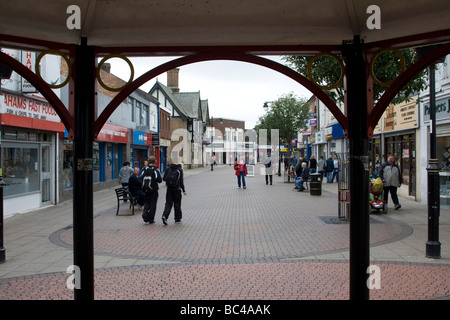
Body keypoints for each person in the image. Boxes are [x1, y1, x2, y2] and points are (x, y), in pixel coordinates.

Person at [162, 157, 187, 225]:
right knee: (177, 204)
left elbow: (164, 178)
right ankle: (177, 218)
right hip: (177, 189)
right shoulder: (179, 169)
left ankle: (165, 216)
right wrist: (184, 190)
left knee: (168, 203)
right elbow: (181, 181)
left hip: (169, 188)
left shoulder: (168, 168)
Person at [141, 156, 162, 223]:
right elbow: (159, 180)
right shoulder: (156, 170)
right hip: (153, 189)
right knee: (153, 204)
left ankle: (145, 213)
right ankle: (151, 218)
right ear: (154, 161)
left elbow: (141, 177)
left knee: (146, 202)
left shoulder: (144, 169)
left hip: (146, 189)